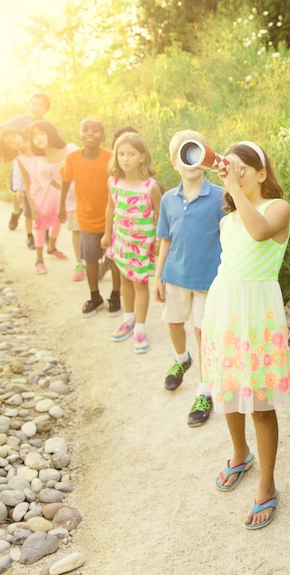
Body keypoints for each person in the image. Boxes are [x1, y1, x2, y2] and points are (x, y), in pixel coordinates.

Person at [201, 141, 290, 530]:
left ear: (260, 173)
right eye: (228, 169)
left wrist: (235, 187)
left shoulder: (277, 209)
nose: (232, 175)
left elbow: (258, 234)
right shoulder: (226, 221)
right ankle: (240, 453)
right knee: (228, 388)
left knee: (260, 401)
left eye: (241, 168)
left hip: (258, 314)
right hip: (225, 307)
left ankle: (267, 484)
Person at [154, 130, 225, 428]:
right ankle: (181, 358)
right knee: (173, 322)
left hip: (207, 282)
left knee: (202, 335)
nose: (190, 159)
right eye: (183, 153)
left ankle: (204, 390)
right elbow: (165, 240)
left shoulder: (220, 197)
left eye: (196, 151)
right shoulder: (169, 199)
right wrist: (157, 276)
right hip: (174, 275)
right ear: (174, 163)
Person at [102, 132, 162, 354]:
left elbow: (161, 214)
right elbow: (111, 207)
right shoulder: (113, 182)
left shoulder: (150, 187)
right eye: (121, 154)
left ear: (142, 157)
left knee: (139, 283)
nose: (125, 159)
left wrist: (158, 239)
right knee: (125, 280)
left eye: (131, 154)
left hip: (143, 245)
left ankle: (140, 327)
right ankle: (128, 319)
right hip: (121, 241)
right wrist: (107, 234)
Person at [59, 119, 122, 316]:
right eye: (85, 130)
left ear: (103, 136)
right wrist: (61, 205)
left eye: (96, 131)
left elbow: (121, 182)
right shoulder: (72, 158)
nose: (90, 134)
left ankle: (115, 295)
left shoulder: (111, 157)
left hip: (112, 217)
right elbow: (65, 180)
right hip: (86, 217)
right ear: (79, 135)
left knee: (114, 259)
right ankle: (95, 296)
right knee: (90, 259)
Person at [0, 93, 52, 242]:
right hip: (21, 160)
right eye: (33, 103)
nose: (36, 107)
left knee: (41, 193)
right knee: (18, 190)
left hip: (38, 161)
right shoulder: (21, 120)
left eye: (40, 105)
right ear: (29, 105)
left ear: (46, 109)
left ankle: (43, 227)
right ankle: (16, 211)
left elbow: (53, 141)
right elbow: (0, 127)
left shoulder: (46, 125)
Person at [20, 120, 78, 275]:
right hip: (44, 193)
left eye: (42, 133)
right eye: (34, 136)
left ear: (51, 133)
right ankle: (39, 259)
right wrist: (66, 188)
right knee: (41, 221)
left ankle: (52, 248)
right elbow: (50, 181)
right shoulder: (42, 164)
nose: (38, 138)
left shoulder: (71, 149)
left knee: (60, 220)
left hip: (77, 195)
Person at [0, 128, 35, 244]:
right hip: (24, 183)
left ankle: (46, 234)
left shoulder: (34, 143)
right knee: (24, 205)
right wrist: (19, 189)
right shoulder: (18, 157)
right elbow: (18, 174)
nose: (15, 141)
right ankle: (17, 214)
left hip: (38, 183)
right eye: (10, 143)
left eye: (14, 137)